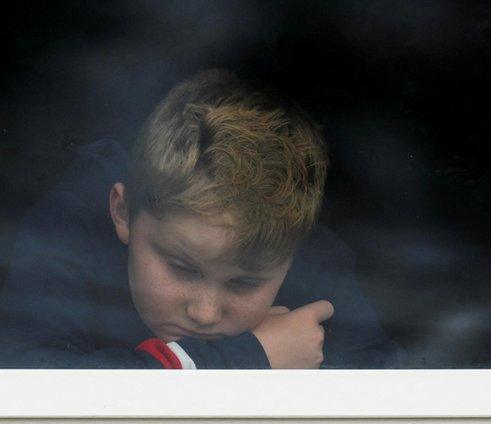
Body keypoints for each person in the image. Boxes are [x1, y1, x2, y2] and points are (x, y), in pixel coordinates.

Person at [0, 69, 399, 369]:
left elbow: (389, 396)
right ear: (122, 212)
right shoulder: (74, 226)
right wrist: (245, 359)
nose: (205, 314)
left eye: (244, 283)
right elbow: (28, 382)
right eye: (181, 268)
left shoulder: (296, 243)